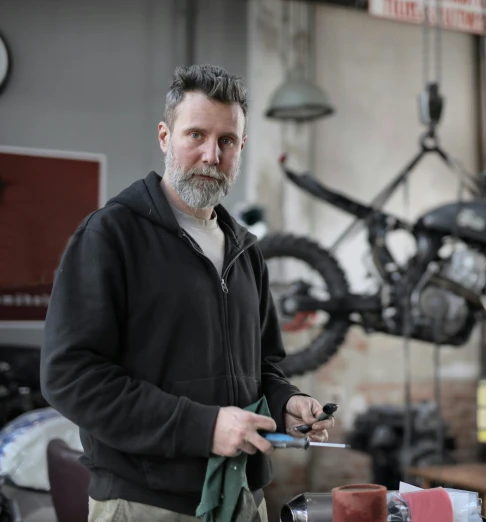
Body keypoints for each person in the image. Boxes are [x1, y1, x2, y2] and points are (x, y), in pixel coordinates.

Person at [40, 64, 334, 522]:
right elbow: (70, 376)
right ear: (164, 137)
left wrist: (286, 403)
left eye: (227, 141)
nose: (211, 155)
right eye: (195, 135)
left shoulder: (245, 252)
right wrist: (203, 427)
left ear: (241, 147)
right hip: (145, 504)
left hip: (241, 496)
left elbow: (264, 367)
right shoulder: (111, 236)